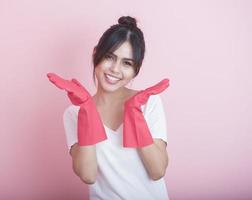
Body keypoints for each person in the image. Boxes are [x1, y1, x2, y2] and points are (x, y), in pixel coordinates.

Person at [47, 16, 170, 200]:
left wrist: (135, 114)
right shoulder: (74, 113)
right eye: (109, 57)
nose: (115, 69)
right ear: (96, 53)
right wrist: (87, 112)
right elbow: (88, 175)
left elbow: (157, 171)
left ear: (136, 69)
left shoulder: (149, 103)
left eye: (127, 63)